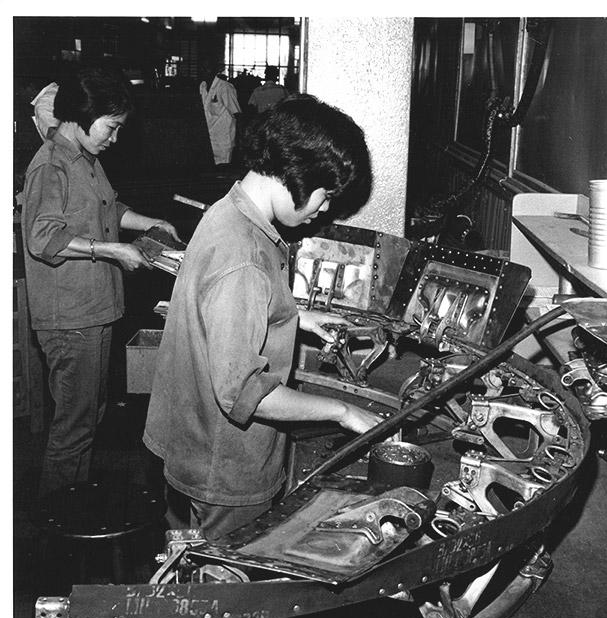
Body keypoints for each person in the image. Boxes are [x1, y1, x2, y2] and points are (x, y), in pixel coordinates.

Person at [143, 94, 381, 542]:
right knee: (229, 599)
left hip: (193, 441)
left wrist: (297, 316)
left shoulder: (229, 212)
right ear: (297, 175)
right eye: (325, 194)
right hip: (226, 466)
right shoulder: (245, 257)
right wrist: (343, 411)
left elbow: (225, 310)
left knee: (192, 577)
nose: (324, 208)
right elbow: (242, 393)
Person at [21, 66, 180, 498]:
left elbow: (107, 208)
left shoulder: (84, 159)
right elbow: (43, 237)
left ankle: (73, 501)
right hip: (70, 316)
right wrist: (113, 251)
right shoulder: (51, 166)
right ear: (79, 115)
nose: (114, 138)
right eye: (110, 128)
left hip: (93, 310)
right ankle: (59, 519)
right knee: (74, 425)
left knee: (88, 415)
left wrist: (150, 222)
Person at [199, 66, 241, 165]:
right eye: (202, 68)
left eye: (207, 67)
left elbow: (237, 114)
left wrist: (240, 139)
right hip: (209, 139)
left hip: (223, 140)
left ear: (215, 70)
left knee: (222, 170)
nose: (204, 70)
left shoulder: (225, 87)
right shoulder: (202, 86)